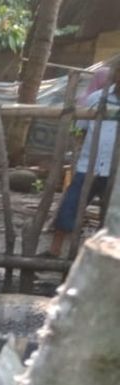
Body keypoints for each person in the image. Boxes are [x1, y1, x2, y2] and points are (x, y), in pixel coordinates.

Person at [48, 66, 119, 257]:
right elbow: (81, 129)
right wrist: (78, 152)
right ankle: (55, 251)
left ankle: (106, 260)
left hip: (116, 171)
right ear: (116, 74)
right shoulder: (96, 98)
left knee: (113, 217)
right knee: (70, 207)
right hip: (89, 165)